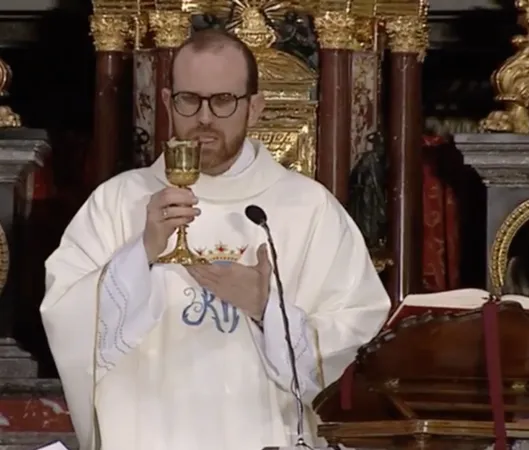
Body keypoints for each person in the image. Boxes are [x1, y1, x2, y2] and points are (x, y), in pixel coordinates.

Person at [40, 29, 391, 450]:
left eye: (223, 101)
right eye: (190, 100)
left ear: (255, 107)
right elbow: (67, 320)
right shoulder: (119, 202)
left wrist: (268, 309)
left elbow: (359, 344)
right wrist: (141, 254)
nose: (204, 118)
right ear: (168, 102)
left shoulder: (309, 209)